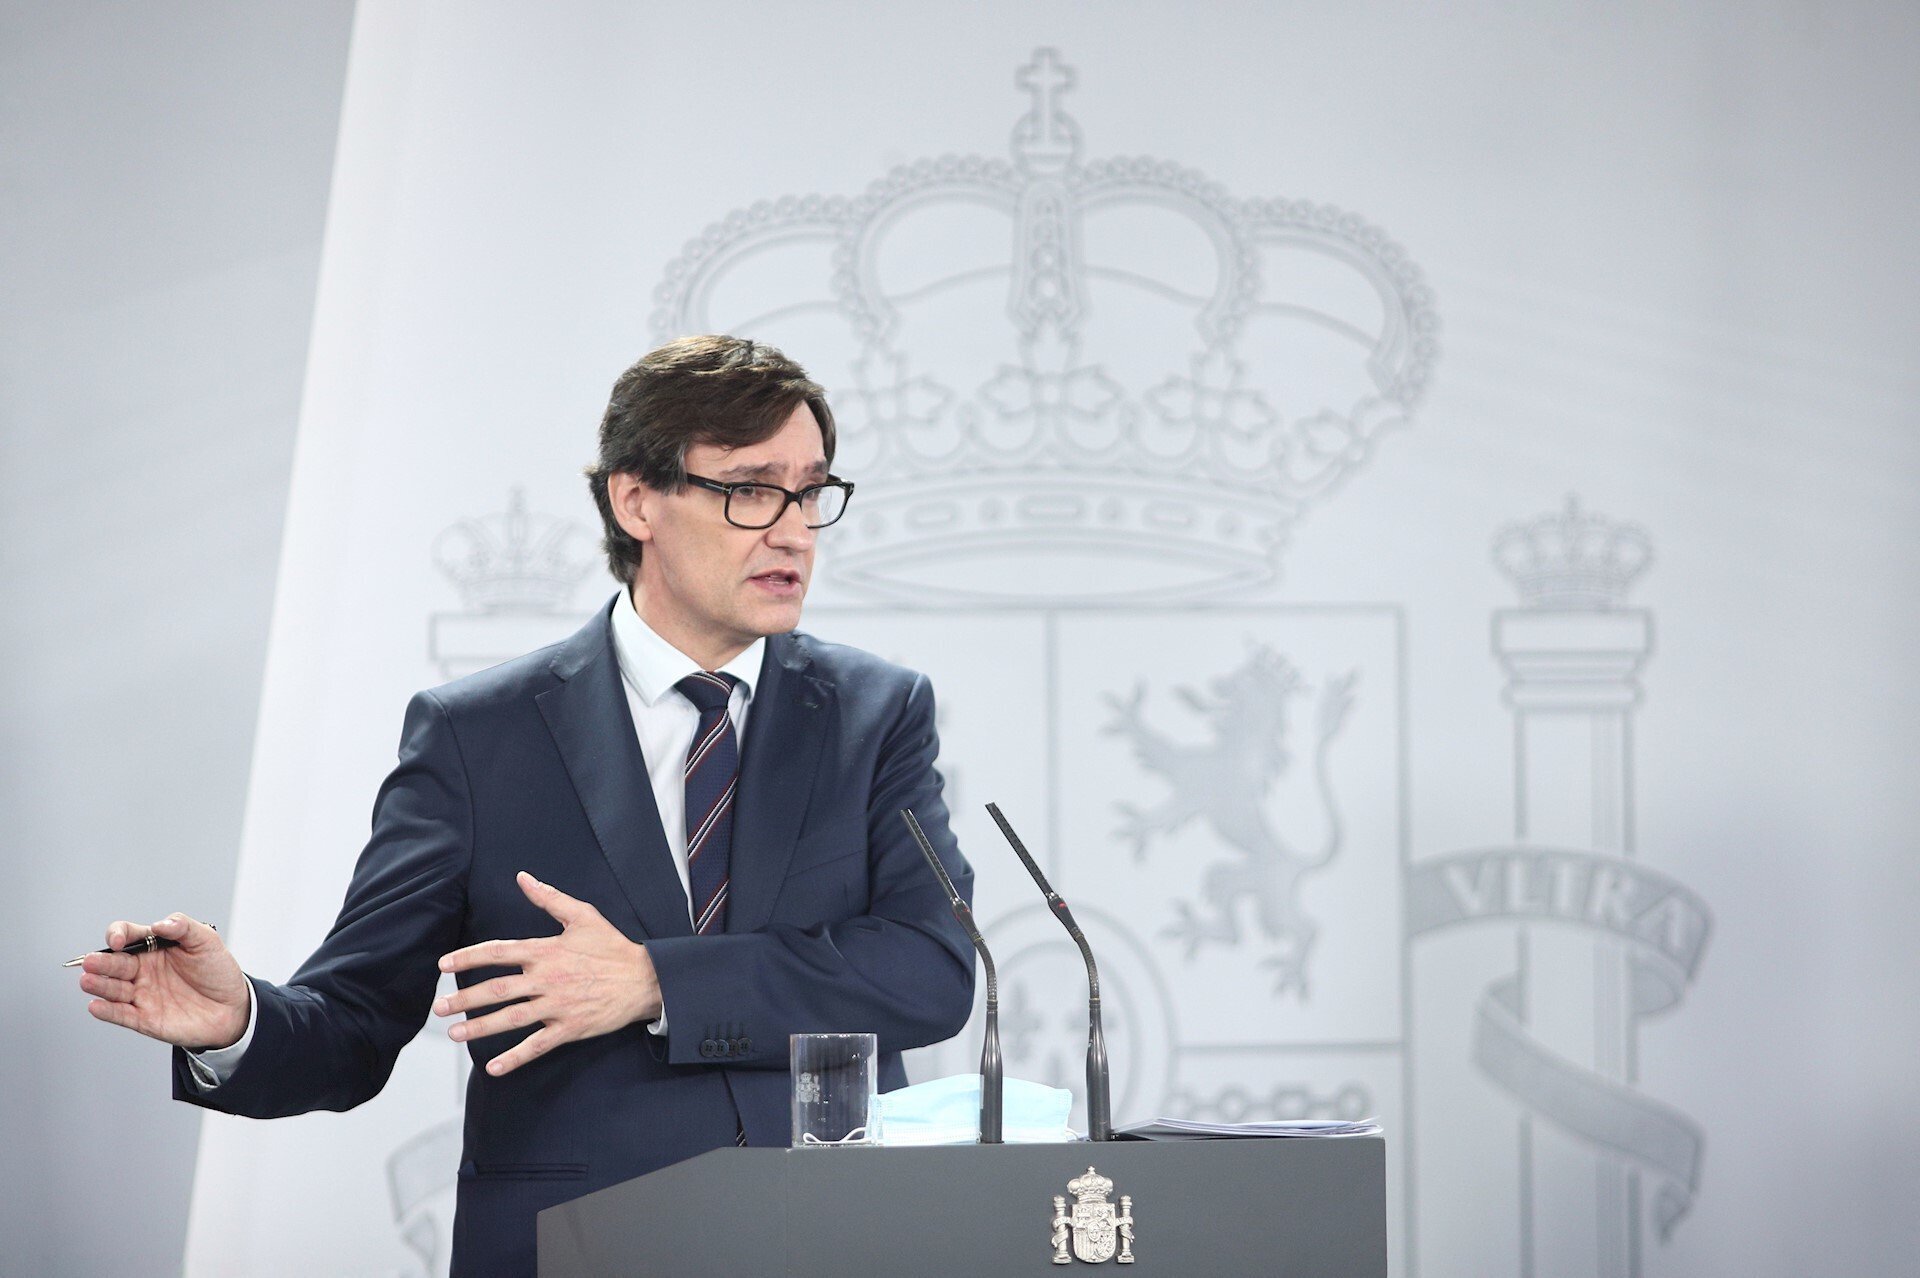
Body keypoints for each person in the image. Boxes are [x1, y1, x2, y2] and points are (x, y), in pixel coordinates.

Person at [75, 334, 976, 1277]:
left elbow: (931, 969)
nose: (793, 531)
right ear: (637, 501)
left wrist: (657, 983)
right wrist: (240, 1023)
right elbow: (354, 1019)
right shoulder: (479, 736)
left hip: (828, 1237)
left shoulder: (875, 713)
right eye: (751, 490)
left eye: (812, 492)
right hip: (577, 1246)